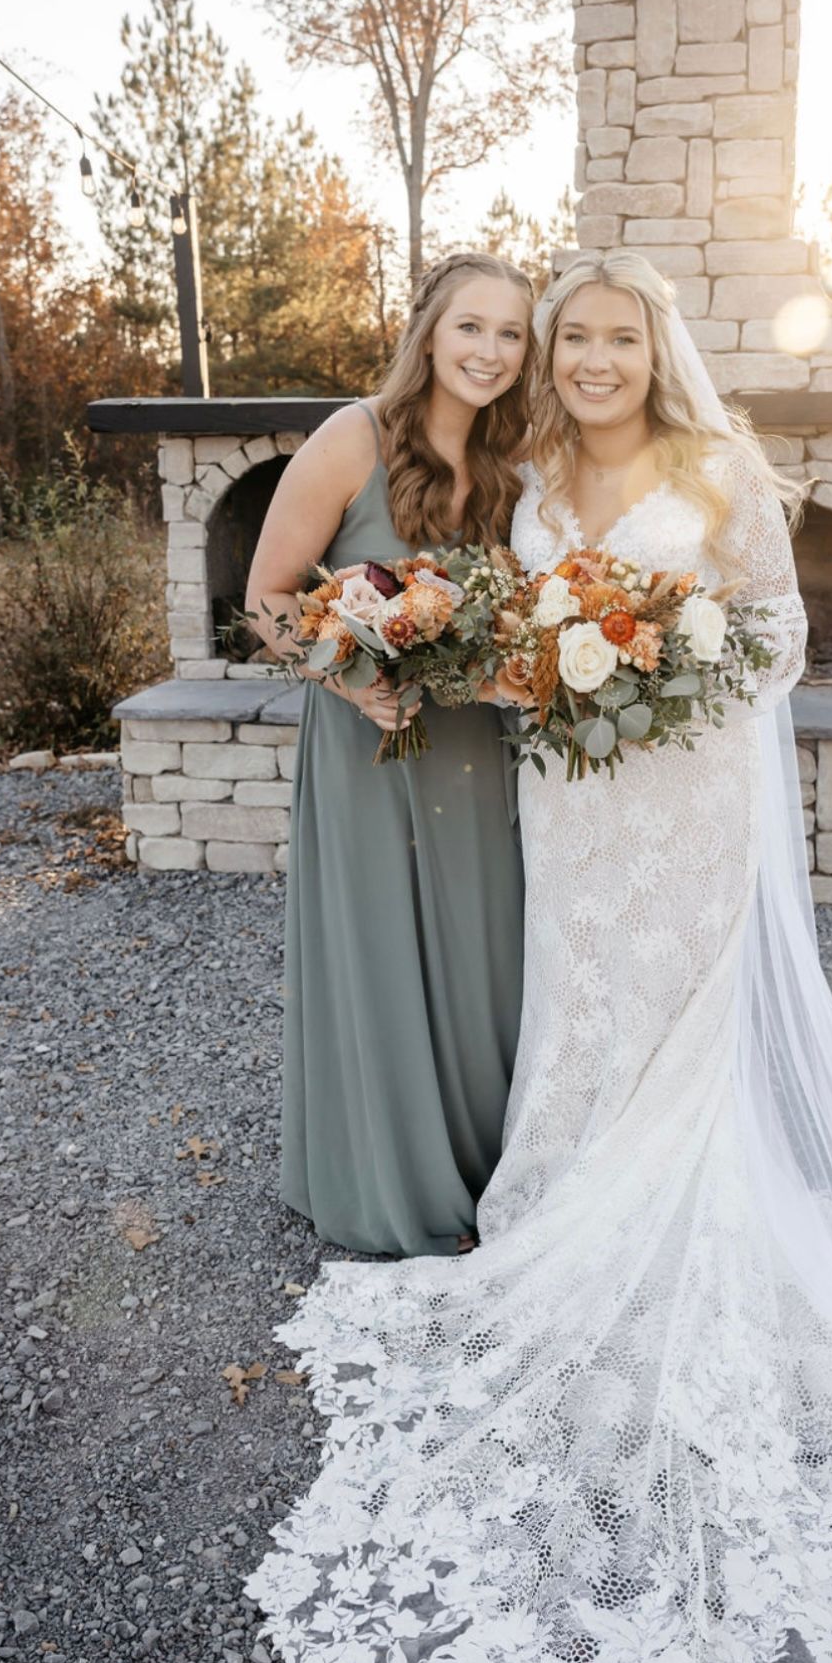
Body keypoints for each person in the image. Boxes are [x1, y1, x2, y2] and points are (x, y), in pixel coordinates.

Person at [247, 252, 832, 1663]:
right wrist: (518, 669)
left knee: (679, 1015)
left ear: (654, 347)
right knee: (577, 1006)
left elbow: (776, 638)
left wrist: (654, 673)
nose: (588, 359)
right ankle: (565, 1191)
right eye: (569, 337)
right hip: (566, 800)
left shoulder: (719, 462)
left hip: (679, 794)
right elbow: (503, 628)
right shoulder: (534, 466)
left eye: (611, 337)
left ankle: (678, 1228)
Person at [244, 251, 530, 1259]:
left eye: (510, 333)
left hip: (479, 747)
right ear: (428, 331)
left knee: (488, 953)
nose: (489, 350)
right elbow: (267, 598)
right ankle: (385, 1180)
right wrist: (347, 675)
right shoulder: (351, 438)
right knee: (381, 949)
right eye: (470, 326)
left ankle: (494, 1168)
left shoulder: (515, 461)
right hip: (372, 741)